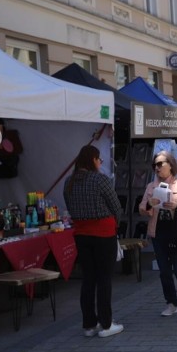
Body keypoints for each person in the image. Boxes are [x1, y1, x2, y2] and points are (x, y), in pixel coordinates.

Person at [63, 145, 123, 338]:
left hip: (81, 234)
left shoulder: (68, 182)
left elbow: (69, 206)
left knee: (88, 279)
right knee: (104, 279)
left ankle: (89, 324)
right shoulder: (100, 180)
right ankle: (106, 324)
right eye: (99, 159)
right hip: (103, 233)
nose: (100, 163)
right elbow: (116, 206)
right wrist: (116, 223)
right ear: (93, 160)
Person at [139, 151, 177, 318]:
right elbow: (141, 209)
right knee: (164, 271)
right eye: (155, 165)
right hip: (158, 233)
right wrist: (149, 204)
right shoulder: (151, 186)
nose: (157, 168)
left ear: (170, 165)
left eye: (160, 164)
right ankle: (171, 303)